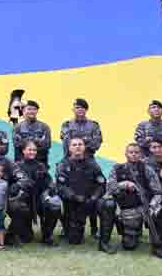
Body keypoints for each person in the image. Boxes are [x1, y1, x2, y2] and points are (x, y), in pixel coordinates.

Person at [104, 143, 162, 259]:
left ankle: (158, 246)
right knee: (129, 245)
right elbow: (109, 188)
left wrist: (152, 206)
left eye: (136, 152)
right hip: (127, 209)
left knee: (161, 214)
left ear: (141, 154)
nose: (134, 155)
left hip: (146, 206)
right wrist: (123, 184)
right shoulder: (117, 168)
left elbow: (158, 192)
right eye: (131, 152)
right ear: (126, 154)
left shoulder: (147, 169)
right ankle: (134, 232)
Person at [55, 138, 111, 250]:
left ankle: (104, 242)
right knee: (74, 240)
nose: (77, 147)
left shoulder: (92, 164)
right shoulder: (63, 164)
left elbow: (101, 184)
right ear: (69, 148)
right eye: (74, 145)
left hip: (90, 201)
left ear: (84, 147)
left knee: (108, 205)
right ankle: (67, 225)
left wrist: (94, 197)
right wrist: (74, 197)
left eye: (80, 144)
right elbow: (61, 186)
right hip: (73, 203)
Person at [60, 98, 103, 237]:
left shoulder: (93, 125)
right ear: (73, 109)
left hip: (89, 162)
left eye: (82, 108)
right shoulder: (66, 124)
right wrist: (83, 143)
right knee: (68, 192)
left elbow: (96, 143)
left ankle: (94, 228)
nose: (80, 110)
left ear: (86, 110)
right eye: (77, 107)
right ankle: (66, 226)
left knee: (92, 193)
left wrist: (80, 146)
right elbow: (67, 143)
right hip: (70, 162)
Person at [10, 141, 61, 245]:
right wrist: (17, 187)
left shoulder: (40, 166)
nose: (32, 152)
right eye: (29, 149)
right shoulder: (16, 166)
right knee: (26, 238)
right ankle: (17, 233)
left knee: (54, 207)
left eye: (34, 150)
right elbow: (11, 186)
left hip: (39, 199)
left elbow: (49, 181)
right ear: (23, 151)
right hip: (24, 201)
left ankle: (47, 235)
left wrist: (51, 187)